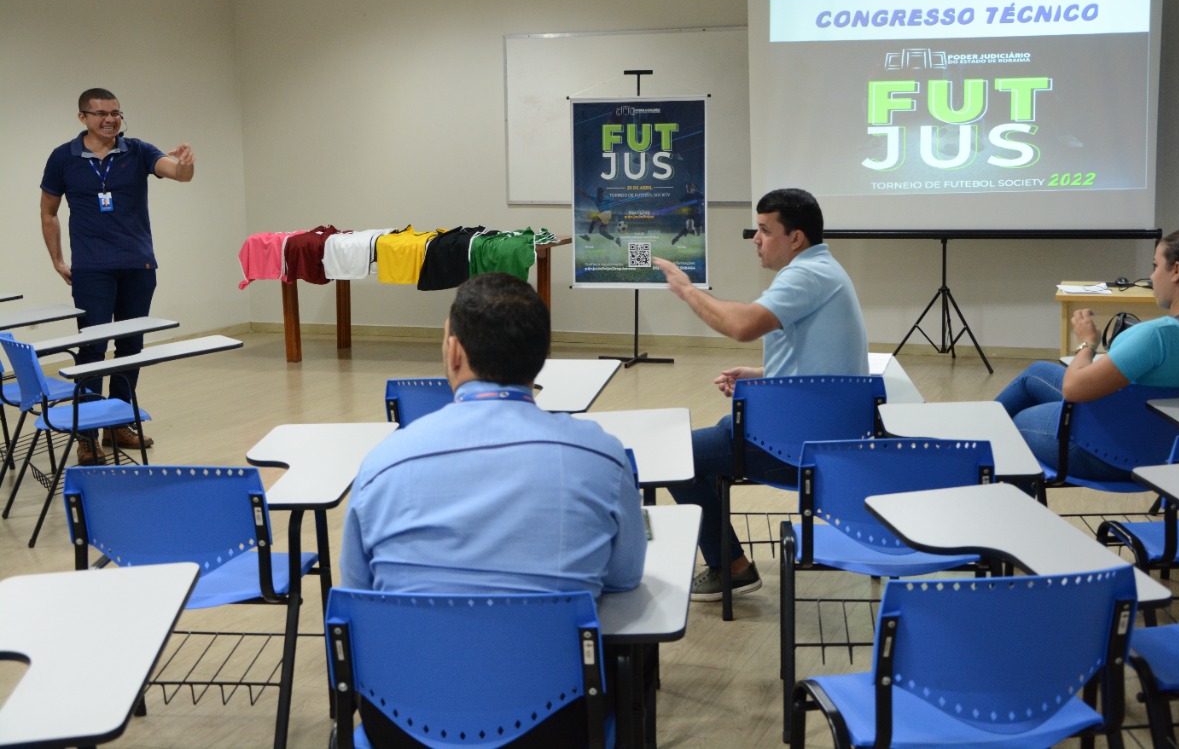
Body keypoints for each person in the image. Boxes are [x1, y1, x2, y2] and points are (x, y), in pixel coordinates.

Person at [339, 272, 647, 748]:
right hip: (556, 727)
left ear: (454, 352)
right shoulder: (601, 456)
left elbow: (360, 599)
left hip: (400, 727)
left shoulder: (381, 464)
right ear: (541, 358)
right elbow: (626, 577)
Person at [653, 188, 868, 600]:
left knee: (674, 455)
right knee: (710, 440)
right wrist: (762, 375)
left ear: (796, 239)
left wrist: (686, 290)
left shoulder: (807, 274)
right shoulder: (823, 268)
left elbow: (742, 326)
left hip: (799, 448)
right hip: (811, 426)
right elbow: (823, 366)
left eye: (766, 231)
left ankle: (729, 567)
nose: (756, 238)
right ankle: (729, 561)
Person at [996, 226, 1179, 481]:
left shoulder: (1155, 337)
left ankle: (974, 451)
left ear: (1177, 271)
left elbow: (1073, 388)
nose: (1151, 277)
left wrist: (1088, 343)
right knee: (1036, 373)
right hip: (1171, 453)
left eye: (1155, 266)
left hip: (1108, 455)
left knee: (1007, 426)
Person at [40, 88, 195, 464]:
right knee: (92, 350)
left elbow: (176, 173)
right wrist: (59, 260)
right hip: (92, 269)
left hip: (138, 266)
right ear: (83, 118)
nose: (111, 119)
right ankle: (87, 435)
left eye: (116, 113)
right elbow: (48, 212)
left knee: (129, 347)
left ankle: (117, 422)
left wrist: (186, 165)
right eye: (101, 113)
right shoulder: (63, 158)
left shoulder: (137, 150)